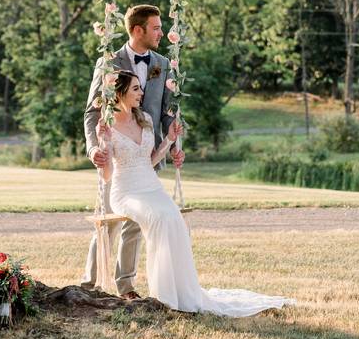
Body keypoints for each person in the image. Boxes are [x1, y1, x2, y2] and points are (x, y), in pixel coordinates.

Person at [100, 70, 295, 315]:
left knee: (174, 219)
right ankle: (164, 296)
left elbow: (150, 161)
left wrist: (169, 141)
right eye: (136, 89)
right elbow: (106, 175)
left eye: (140, 88)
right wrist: (104, 146)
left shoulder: (145, 119)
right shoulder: (107, 125)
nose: (141, 93)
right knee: (159, 219)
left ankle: (183, 291)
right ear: (120, 93)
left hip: (151, 186)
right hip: (126, 192)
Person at [80, 4, 179, 299]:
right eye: (156, 28)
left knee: (136, 225)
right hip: (116, 153)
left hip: (146, 155)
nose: (162, 33)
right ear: (138, 30)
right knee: (108, 220)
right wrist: (95, 148)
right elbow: (91, 111)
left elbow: (166, 112)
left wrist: (174, 144)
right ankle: (90, 283)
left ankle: (126, 285)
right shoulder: (109, 62)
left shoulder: (162, 63)